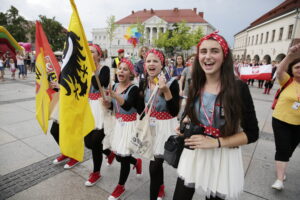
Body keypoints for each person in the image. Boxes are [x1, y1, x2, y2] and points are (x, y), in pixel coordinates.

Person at [172, 32, 259, 200]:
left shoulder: (238, 87)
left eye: (214, 51)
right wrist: (185, 124)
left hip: (223, 156)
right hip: (195, 152)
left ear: (224, 55)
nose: (208, 56)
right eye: (203, 51)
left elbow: (252, 133)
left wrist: (216, 142)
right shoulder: (195, 83)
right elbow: (193, 113)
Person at [139, 49, 180, 200]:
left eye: (155, 61)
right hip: (151, 126)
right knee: (156, 164)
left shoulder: (172, 82)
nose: (151, 64)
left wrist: (166, 91)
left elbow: (175, 111)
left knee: (155, 164)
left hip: (165, 126)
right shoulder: (144, 82)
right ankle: (160, 187)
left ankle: (155, 193)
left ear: (162, 64)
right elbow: (141, 104)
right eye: (148, 61)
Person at [104, 58, 142, 200]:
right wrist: (107, 104)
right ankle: (136, 162)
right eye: (120, 68)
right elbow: (115, 107)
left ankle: (121, 186)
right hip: (118, 124)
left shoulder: (134, 88)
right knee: (120, 156)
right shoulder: (114, 87)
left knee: (124, 157)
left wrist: (115, 96)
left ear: (130, 74)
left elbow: (127, 106)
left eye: (125, 69)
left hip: (130, 125)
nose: (121, 71)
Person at [83, 43, 115, 187]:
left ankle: (96, 172)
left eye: (93, 52)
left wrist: (92, 69)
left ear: (99, 55)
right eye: (88, 52)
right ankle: (109, 153)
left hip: (101, 109)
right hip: (88, 108)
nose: (90, 54)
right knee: (88, 142)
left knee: (94, 143)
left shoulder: (104, 69)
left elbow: (99, 84)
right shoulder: (83, 69)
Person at [271, 43, 300, 190]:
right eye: (297, 67)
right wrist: (290, 54)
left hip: (298, 124)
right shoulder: (287, 80)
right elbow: (279, 70)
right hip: (281, 120)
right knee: (282, 148)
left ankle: (281, 167)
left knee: (289, 149)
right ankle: (279, 180)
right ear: (292, 70)